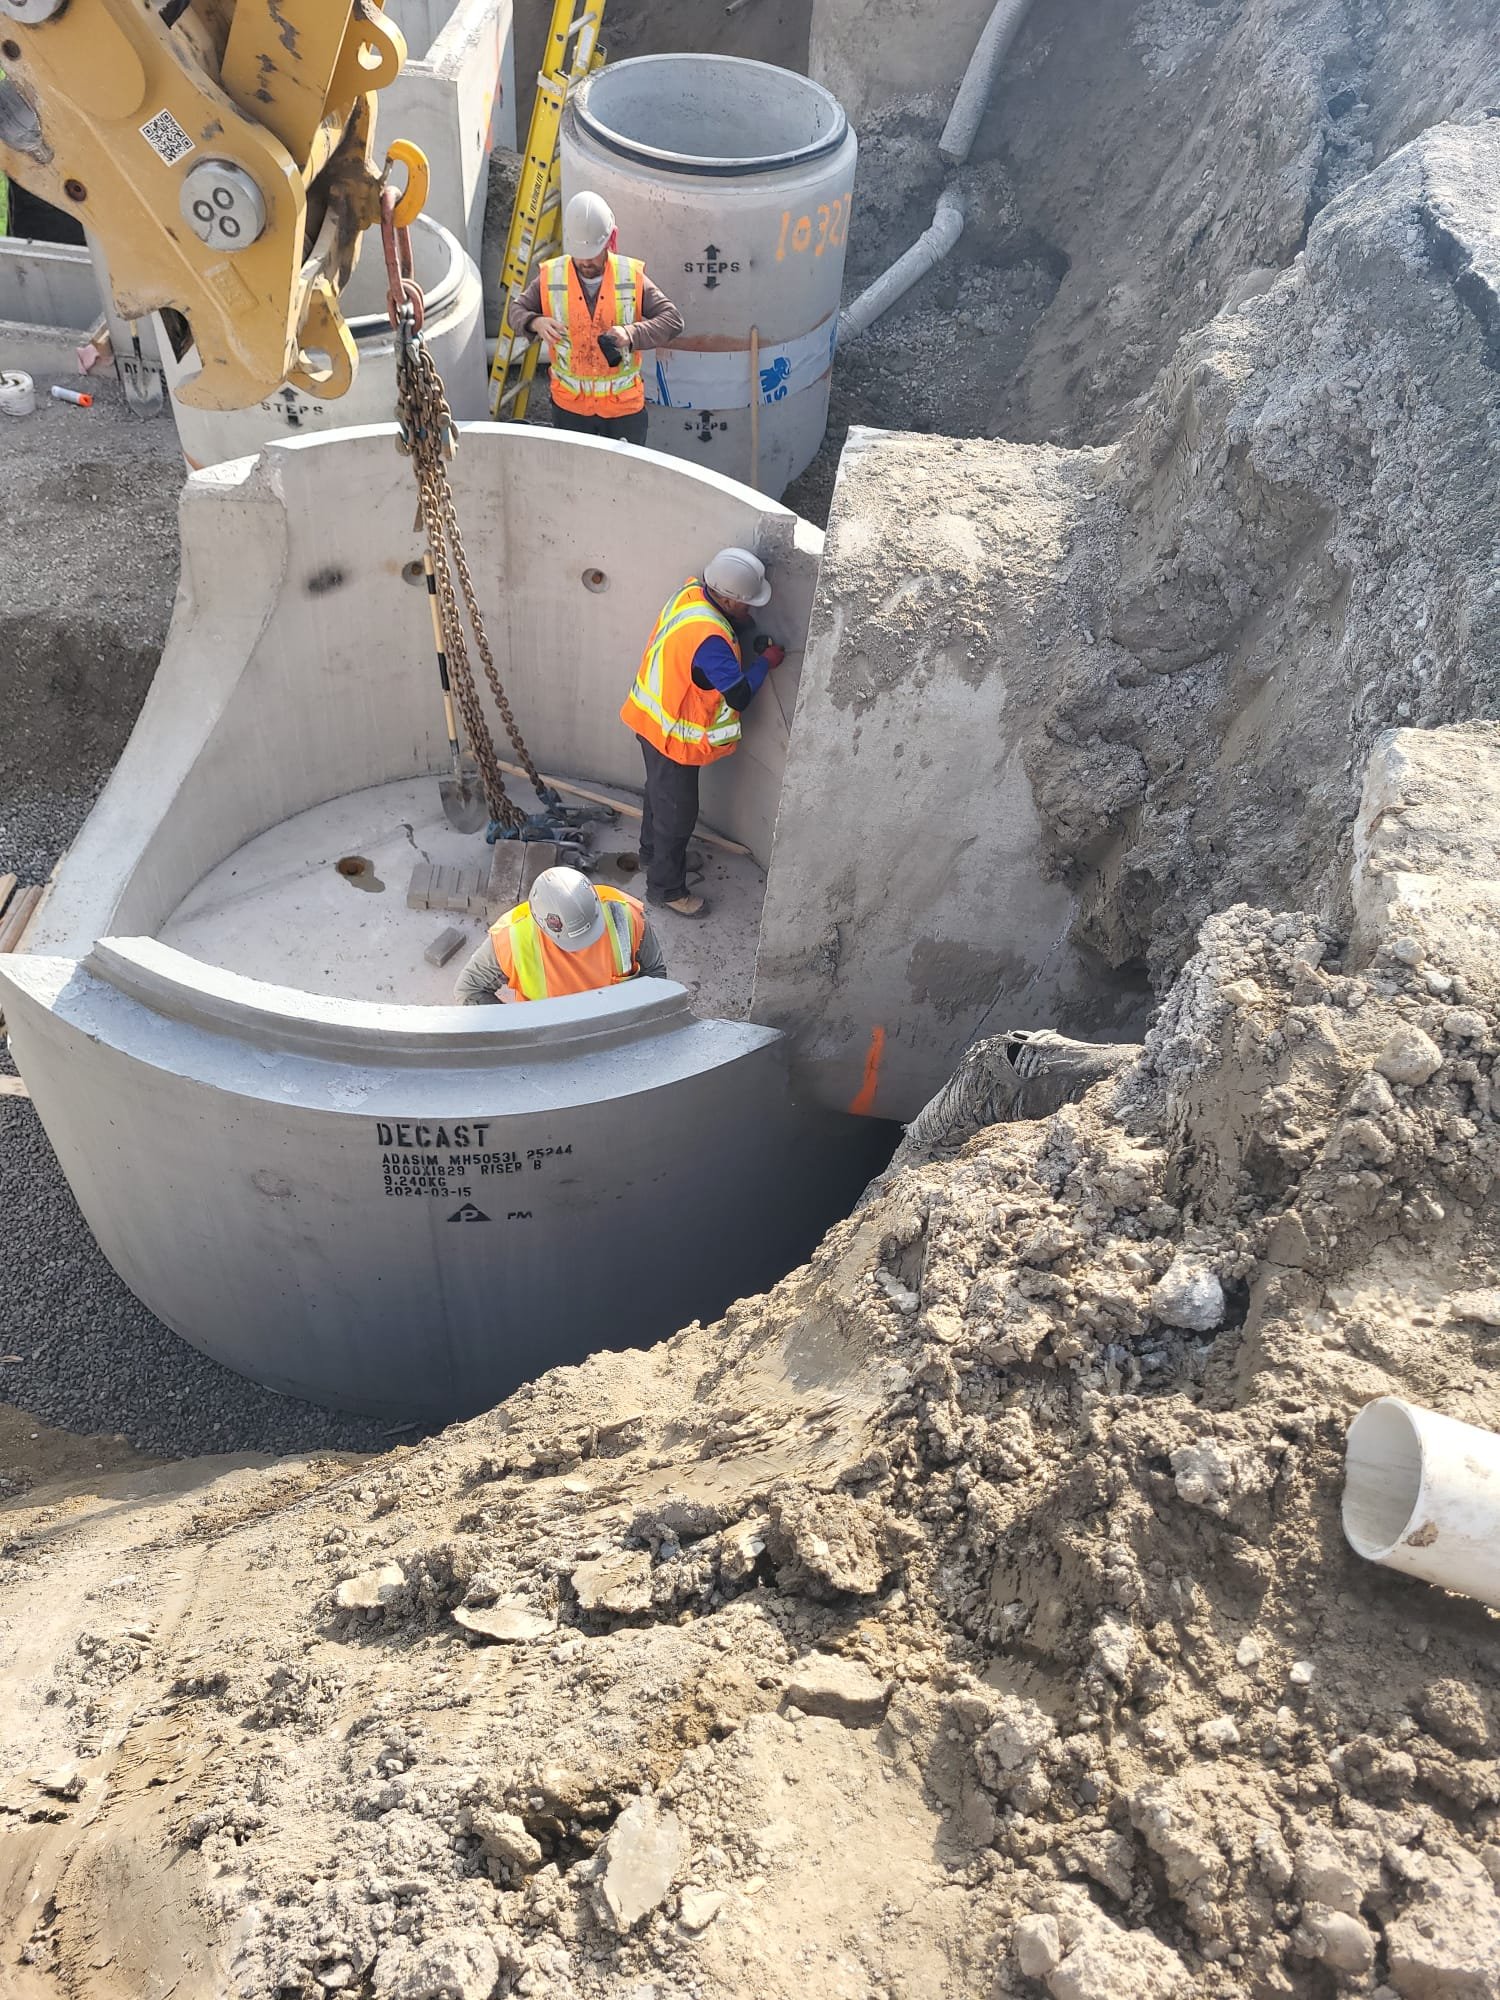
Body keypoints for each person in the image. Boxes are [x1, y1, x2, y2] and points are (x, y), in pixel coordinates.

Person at [620, 547, 785, 919]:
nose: (751, 612)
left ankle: (653, 856)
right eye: (745, 605)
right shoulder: (710, 642)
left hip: (651, 722)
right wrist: (765, 663)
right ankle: (666, 888)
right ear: (726, 599)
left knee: (659, 800)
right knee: (676, 818)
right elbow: (739, 695)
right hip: (673, 742)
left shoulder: (691, 594)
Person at [507, 191, 683, 445]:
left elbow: (672, 320)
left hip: (623, 409)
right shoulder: (552, 276)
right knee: (576, 480)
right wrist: (535, 322)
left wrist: (630, 334)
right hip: (570, 408)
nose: (586, 261)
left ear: (610, 241)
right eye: (581, 254)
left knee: (624, 479)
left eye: (593, 253)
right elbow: (516, 311)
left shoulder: (629, 276)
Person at [454, 866, 667, 1004]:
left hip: (615, 1027)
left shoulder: (624, 914)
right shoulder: (511, 938)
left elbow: (656, 973)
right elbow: (468, 989)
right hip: (549, 1035)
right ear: (539, 922)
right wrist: (514, 1028)